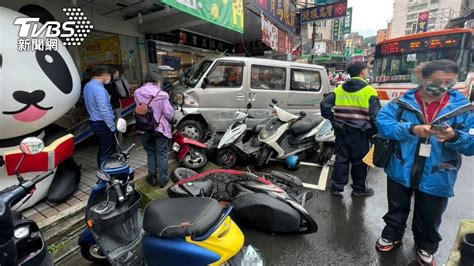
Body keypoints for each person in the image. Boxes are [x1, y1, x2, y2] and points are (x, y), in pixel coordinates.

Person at [375, 60, 474, 265]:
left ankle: (426, 245)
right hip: (400, 166)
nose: (444, 86)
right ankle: (392, 233)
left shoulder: (464, 109)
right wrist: (412, 129)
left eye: (450, 81)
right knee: (397, 205)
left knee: (430, 214)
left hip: (439, 173)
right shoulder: (403, 102)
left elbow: (471, 144)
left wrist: (454, 136)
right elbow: (383, 123)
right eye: (438, 81)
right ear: (424, 79)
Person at [320, 62, 381, 197]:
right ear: (362, 71)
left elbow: (325, 105)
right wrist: (378, 134)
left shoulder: (340, 89)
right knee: (359, 162)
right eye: (366, 69)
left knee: (341, 159)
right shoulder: (369, 90)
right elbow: (375, 116)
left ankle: (336, 187)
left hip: (342, 131)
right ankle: (359, 189)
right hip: (361, 133)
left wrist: (333, 120)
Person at [134, 72, 174, 187]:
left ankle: (152, 178)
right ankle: (163, 179)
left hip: (144, 127)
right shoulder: (162, 94)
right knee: (162, 154)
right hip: (160, 128)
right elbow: (169, 113)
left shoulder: (137, 93)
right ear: (157, 81)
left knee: (150, 153)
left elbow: (141, 109)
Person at [83, 65, 116, 168]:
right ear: (103, 75)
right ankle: (104, 172)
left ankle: (103, 169)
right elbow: (104, 109)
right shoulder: (99, 89)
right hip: (103, 123)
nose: (109, 77)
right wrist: (112, 126)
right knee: (106, 150)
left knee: (103, 148)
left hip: (94, 121)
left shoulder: (88, 86)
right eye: (108, 75)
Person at [105, 67, 131, 145]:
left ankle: (117, 145)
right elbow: (118, 95)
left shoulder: (108, 84)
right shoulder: (112, 83)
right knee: (119, 126)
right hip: (115, 107)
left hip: (112, 108)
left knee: (114, 126)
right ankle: (118, 145)